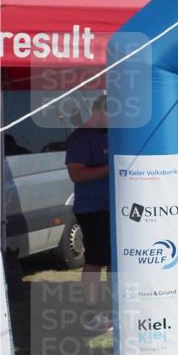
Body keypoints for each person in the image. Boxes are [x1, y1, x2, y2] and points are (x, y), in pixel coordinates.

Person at [65, 95, 112, 334]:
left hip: (117, 208)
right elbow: (77, 174)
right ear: (99, 111)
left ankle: (115, 309)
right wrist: (111, 168)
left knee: (116, 261)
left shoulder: (112, 134)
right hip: (92, 209)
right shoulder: (81, 137)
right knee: (95, 259)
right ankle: (91, 314)